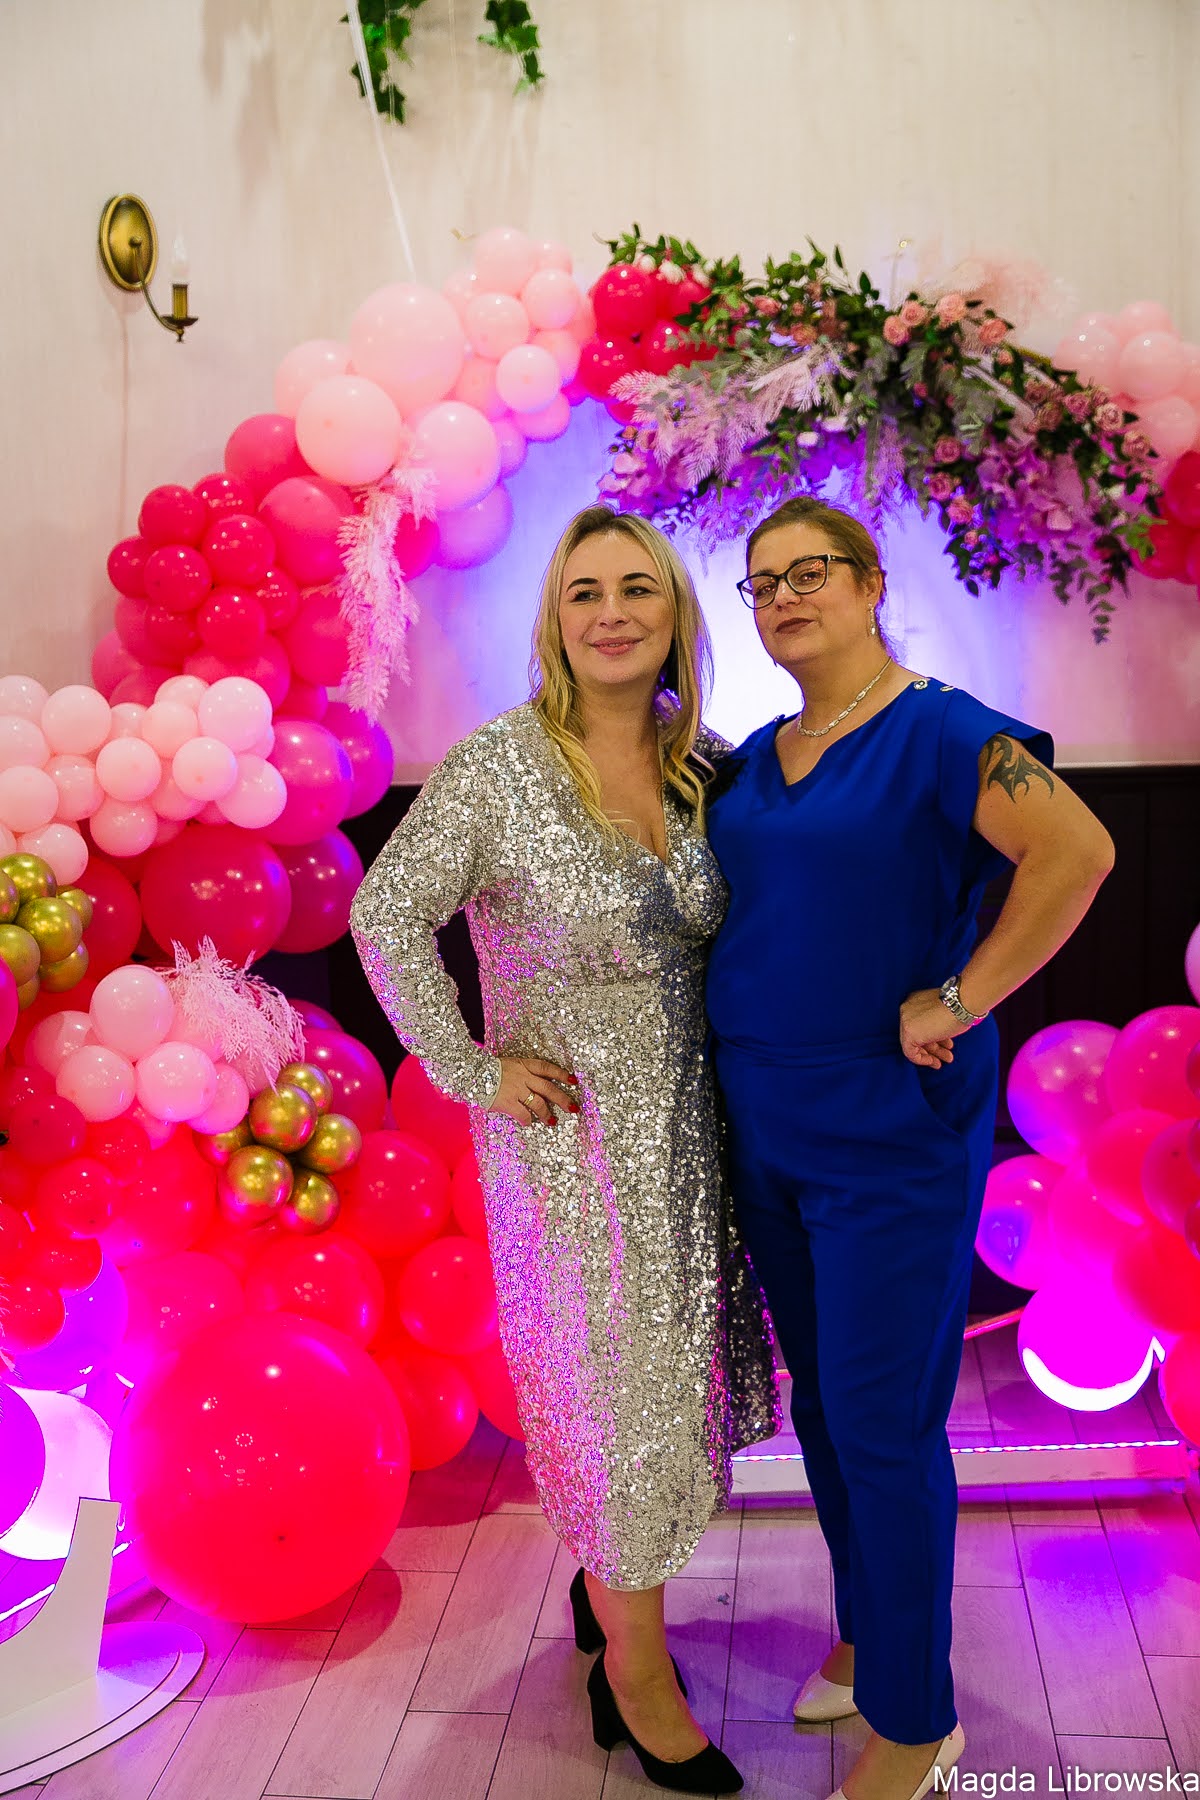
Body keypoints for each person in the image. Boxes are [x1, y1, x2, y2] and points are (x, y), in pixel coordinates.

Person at [350, 504, 779, 1796]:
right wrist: (469, 1068)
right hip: (571, 1143)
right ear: (554, 620)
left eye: (636, 588)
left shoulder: (704, 764)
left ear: (673, 614)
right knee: (617, 1396)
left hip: (694, 1131)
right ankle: (637, 1673)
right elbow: (384, 912)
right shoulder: (500, 766)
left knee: (674, 1386)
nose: (611, 612)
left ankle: (609, 1597)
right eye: (584, 591)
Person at [704, 496, 1115, 1800]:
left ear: (873, 581)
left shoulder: (940, 730)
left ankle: (918, 1719)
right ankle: (871, 1634)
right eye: (763, 582)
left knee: (884, 1419)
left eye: (811, 570)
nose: (785, 596)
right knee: (827, 1410)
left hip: (888, 1133)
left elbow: (1078, 851)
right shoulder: (758, 757)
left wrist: (962, 995)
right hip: (767, 1128)